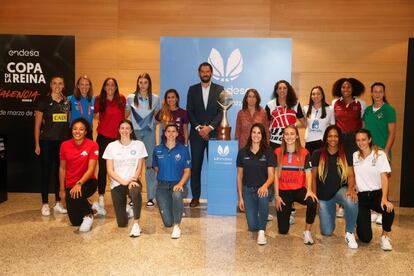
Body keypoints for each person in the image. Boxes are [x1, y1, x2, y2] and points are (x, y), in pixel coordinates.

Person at [311, 125, 359, 249]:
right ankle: (330, 212)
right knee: (327, 232)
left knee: (351, 199)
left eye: (336, 136)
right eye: (330, 136)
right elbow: (313, 178)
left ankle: (349, 232)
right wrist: (314, 197)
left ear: (339, 138)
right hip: (323, 197)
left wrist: (350, 189)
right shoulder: (317, 154)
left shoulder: (345, 153)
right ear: (326, 138)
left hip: (339, 191)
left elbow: (350, 175)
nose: (333, 139)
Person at [186, 62, 224, 207]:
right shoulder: (192, 89)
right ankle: (195, 197)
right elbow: (190, 111)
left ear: (211, 72)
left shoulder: (219, 89)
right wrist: (198, 128)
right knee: (196, 167)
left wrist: (209, 128)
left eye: (207, 71)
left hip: (213, 134)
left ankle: (215, 197)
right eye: (202, 71)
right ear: (199, 73)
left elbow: (221, 112)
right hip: (196, 136)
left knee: (215, 167)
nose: (205, 73)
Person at [274, 125, 318, 245]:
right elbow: (275, 175)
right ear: (283, 136)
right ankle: (287, 213)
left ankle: (307, 232)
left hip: (299, 189)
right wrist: (276, 195)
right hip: (283, 191)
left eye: (292, 134)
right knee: (283, 231)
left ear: (297, 136)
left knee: (312, 201)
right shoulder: (277, 152)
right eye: (286, 134)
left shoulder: (304, 153)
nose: (289, 136)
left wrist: (309, 190)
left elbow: (308, 174)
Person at [103, 120, 147, 237]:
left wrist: (132, 180)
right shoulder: (111, 146)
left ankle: (137, 224)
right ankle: (128, 210)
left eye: (127, 128)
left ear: (131, 130)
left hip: (133, 182)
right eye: (122, 128)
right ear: (118, 130)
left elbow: (139, 167)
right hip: (117, 184)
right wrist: (123, 182)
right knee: (122, 223)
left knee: (135, 191)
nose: (125, 131)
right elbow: (109, 170)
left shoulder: (139, 145)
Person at [353, 129, 394, 251]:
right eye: (358, 140)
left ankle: (385, 237)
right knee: (365, 238)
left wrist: (384, 199)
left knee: (388, 209)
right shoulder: (355, 155)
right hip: (362, 197)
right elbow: (355, 174)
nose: (361, 143)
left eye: (364, 139)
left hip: (377, 194)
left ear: (369, 139)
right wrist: (355, 184)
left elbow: (384, 178)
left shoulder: (380, 155)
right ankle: (360, 221)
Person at [34, 76, 70, 216]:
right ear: (50, 85)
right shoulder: (43, 101)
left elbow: (67, 122)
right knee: (46, 173)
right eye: (55, 83)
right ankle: (44, 204)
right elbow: (37, 126)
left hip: (62, 143)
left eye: (60, 83)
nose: (57, 86)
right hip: (46, 142)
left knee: (59, 174)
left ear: (63, 85)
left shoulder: (66, 102)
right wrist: (37, 144)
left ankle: (58, 203)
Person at [236, 123, 276, 245]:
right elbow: (239, 176)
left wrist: (264, 186)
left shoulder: (268, 152)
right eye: (254, 132)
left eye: (259, 133)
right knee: (252, 226)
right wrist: (240, 198)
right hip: (248, 190)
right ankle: (261, 220)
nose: (256, 135)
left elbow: (271, 176)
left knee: (263, 196)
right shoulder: (243, 152)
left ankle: (262, 232)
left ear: (262, 135)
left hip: (262, 189)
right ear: (250, 134)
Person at [363, 82, 396, 225]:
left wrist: (386, 151)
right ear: (371, 93)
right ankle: (373, 210)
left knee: (383, 181)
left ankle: (383, 210)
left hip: (382, 151)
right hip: (368, 152)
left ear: (384, 93)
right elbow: (363, 132)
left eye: (380, 91)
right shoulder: (368, 110)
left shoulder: (389, 110)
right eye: (375, 91)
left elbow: (392, 133)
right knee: (371, 180)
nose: (377, 94)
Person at [125, 73, 160, 208]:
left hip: (150, 134)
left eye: (145, 82)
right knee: (134, 165)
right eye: (140, 82)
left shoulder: (155, 98)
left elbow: (157, 117)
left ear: (149, 83)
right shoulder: (130, 98)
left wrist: (151, 124)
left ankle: (151, 197)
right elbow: (125, 115)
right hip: (135, 134)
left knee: (149, 166)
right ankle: (133, 196)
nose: (143, 85)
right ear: (137, 83)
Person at [59, 118, 99, 232]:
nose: (77, 131)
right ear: (71, 130)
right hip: (70, 184)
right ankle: (92, 207)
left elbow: (91, 169)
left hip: (88, 182)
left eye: (81, 129)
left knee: (76, 194)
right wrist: (62, 189)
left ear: (86, 132)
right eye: (75, 129)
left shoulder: (93, 145)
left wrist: (79, 184)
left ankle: (88, 215)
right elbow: (62, 168)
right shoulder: (64, 145)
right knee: (75, 222)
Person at [153, 123, 191, 239]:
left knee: (177, 194)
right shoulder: (157, 149)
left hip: (178, 184)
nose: (171, 134)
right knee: (167, 222)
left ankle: (177, 226)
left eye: (173, 131)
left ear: (177, 133)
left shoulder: (183, 150)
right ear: (164, 133)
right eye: (168, 131)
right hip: (162, 187)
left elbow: (187, 171)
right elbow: (156, 167)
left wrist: (180, 183)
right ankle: (176, 210)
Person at [94, 77, 126, 213]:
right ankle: (101, 196)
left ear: (116, 87)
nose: (110, 87)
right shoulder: (98, 99)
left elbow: (125, 115)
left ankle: (120, 196)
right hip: (103, 138)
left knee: (118, 169)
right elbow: (95, 115)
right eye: (108, 84)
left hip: (118, 139)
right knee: (102, 168)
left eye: (113, 85)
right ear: (104, 86)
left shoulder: (122, 99)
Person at [265, 80, 306, 150]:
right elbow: (266, 124)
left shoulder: (295, 104)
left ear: (288, 90)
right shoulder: (270, 105)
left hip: (290, 141)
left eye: (284, 88)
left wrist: (294, 125)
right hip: (274, 142)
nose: (282, 90)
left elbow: (304, 123)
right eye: (279, 88)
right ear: (276, 91)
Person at [331, 77, 366, 154]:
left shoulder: (361, 103)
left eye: (348, 87)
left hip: (355, 138)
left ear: (353, 89)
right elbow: (333, 122)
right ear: (340, 89)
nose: (346, 89)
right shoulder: (335, 103)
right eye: (343, 87)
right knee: (341, 162)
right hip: (340, 138)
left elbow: (363, 123)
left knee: (354, 162)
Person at [303, 86, 335, 155]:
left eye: (318, 94)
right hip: (309, 141)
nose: (315, 96)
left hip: (323, 142)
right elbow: (304, 123)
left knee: (322, 164)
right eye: (313, 94)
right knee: (309, 164)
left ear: (322, 96)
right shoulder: (306, 108)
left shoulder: (330, 109)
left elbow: (333, 126)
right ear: (311, 96)